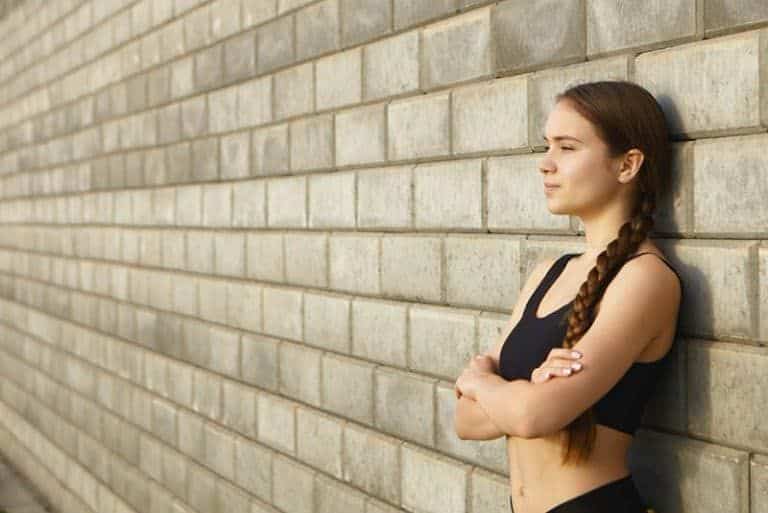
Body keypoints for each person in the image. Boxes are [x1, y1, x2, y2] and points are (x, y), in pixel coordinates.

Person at [453, 80, 682, 513]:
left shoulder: (645, 279)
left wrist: (483, 383)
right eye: (547, 146)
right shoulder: (549, 272)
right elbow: (465, 421)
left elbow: (530, 418)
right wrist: (527, 392)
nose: (545, 164)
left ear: (627, 165)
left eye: (567, 147)